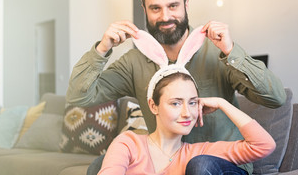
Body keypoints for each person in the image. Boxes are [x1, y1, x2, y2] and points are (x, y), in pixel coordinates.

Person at [67, 0, 286, 174]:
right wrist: (102, 49)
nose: (165, 17)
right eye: (155, 8)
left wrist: (232, 52)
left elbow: (275, 98)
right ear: (145, 10)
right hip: (167, 163)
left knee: (199, 166)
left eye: (173, 6)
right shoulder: (134, 61)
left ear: (186, 5)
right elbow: (79, 98)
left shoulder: (215, 52)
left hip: (216, 163)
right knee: (99, 165)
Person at [97, 30, 276, 174]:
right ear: (153, 106)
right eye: (175, 103)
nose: (186, 113)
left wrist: (223, 103)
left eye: (192, 103)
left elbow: (264, 145)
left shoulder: (198, 154)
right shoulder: (129, 144)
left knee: (200, 165)